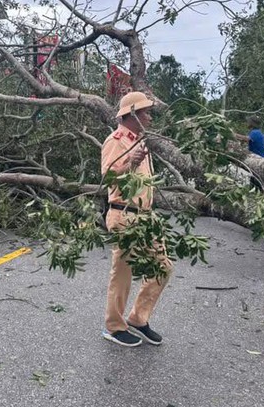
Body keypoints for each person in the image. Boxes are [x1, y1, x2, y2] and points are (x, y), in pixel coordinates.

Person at [100, 91, 173, 347]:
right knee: (122, 273)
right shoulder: (116, 140)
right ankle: (114, 326)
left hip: (145, 217)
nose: (149, 117)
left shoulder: (140, 140)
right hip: (124, 215)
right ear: (132, 114)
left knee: (163, 266)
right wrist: (128, 163)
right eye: (145, 112)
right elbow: (107, 177)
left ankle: (138, 318)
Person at [246, 116, 264, 191]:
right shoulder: (258, 132)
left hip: (259, 160)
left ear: (252, 123)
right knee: (255, 180)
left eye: (248, 121)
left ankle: (262, 195)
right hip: (259, 159)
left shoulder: (255, 132)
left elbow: (246, 139)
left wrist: (233, 135)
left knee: (258, 183)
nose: (247, 123)